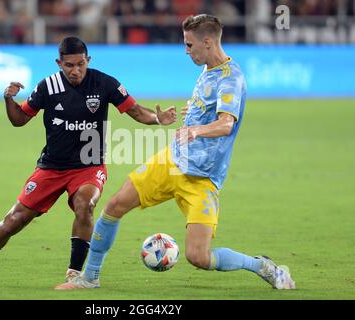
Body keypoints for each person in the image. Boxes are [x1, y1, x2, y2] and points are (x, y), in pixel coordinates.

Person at [56, 15, 296, 290]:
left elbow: (226, 124)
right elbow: (209, 110)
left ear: (207, 42)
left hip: (202, 178)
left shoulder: (231, 79)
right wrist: (193, 116)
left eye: (189, 44)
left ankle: (261, 265)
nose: (186, 50)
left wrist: (197, 130)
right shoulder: (208, 70)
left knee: (199, 256)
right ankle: (90, 277)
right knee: (112, 208)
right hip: (172, 161)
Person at [0, 36, 177, 288]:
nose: (75, 70)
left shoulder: (105, 83)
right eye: (69, 65)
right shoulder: (47, 87)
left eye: (80, 64)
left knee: (86, 204)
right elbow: (19, 120)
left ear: (88, 60)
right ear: (59, 63)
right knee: (16, 219)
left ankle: (74, 272)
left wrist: (157, 119)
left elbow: (136, 111)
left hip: (89, 166)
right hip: (51, 167)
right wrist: (8, 99)